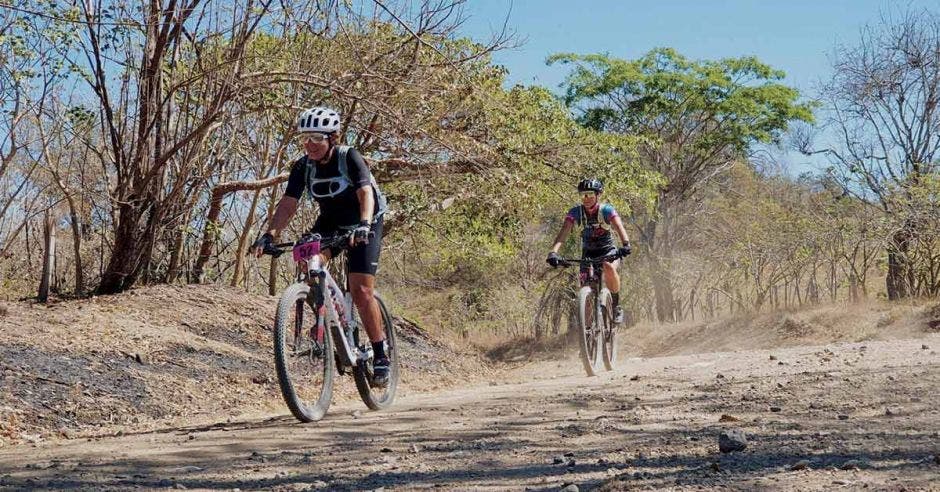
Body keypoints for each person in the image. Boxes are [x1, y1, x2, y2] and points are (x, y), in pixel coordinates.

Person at [251, 106, 391, 386]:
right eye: (305, 138)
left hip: (366, 221)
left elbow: (365, 193)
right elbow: (289, 204)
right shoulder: (303, 166)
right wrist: (270, 235)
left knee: (362, 289)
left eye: (316, 137)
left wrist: (363, 225)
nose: (309, 144)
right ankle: (329, 320)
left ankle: (380, 354)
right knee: (308, 261)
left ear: (331, 138)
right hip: (330, 223)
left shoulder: (349, 157)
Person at [546, 178, 632, 324]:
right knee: (585, 290)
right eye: (583, 195)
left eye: (590, 194)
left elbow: (619, 226)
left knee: (608, 267)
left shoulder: (606, 210)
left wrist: (625, 244)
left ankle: (616, 306)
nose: (586, 198)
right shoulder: (575, 212)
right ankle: (588, 334)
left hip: (608, 251)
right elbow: (564, 231)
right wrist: (553, 252)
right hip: (588, 254)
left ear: (598, 194)